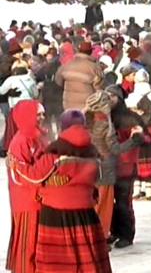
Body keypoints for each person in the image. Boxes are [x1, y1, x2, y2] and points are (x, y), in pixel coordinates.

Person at [9, 112, 112, 273]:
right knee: (86, 254)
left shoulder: (56, 150)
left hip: (56, 210)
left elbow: (36, 176)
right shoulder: (92, 150)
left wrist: (17, 166)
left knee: (58, 260)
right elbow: (97, 176)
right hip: (85, 211)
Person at [83, 92, 143, 246]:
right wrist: (133, 141)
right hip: (106, 168)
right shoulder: (104, 124)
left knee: (93, 202)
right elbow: (115, 149)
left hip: (89, 166)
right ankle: (101, 236)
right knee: (104, 204)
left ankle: (95, 234)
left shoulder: (85, 121)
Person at [6, 100, 49, 273]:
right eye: (38, 115)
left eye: (42, 114)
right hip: (26, 198)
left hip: (41, 194)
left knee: (38, 237)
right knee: (27, 239)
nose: (42, 118)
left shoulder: (38, 136)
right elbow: (19, 174)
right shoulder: (20, 142)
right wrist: (38, 186)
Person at [55, 42, 104, 110]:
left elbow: (58, 81)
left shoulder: (67, 65)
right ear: (90, 52)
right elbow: (99, 87)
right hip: (86, 106)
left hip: (68, 105)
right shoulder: (94, 67)